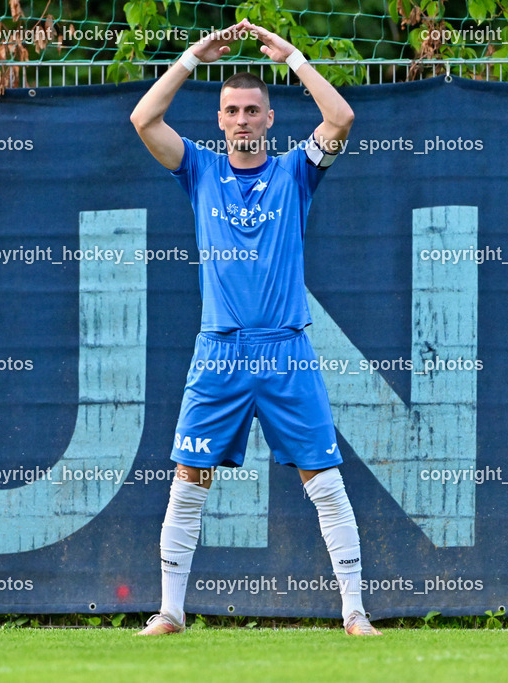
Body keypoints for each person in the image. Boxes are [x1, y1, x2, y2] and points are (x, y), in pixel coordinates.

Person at [130, 19, 380, 637]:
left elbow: (342, 118)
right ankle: (170, 611)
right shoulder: (200, 171)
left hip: (285, 350)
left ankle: (354, 612)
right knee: (189, 478)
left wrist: (291, 55)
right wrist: (193, 55)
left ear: (270, 119)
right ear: (219, 120)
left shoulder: (297, 171)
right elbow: (143, 120)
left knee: (323, 477)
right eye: (232, 111)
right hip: (218, 352)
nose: (241, 119)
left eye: (252, 111)